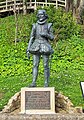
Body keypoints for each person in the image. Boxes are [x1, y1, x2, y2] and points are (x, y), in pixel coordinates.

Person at [27, 9, 54, 87]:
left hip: (45, 46)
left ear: (45, 15)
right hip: (36, 46)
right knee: (35, 64)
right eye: (39, 15)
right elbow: (31, 37)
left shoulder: (49, 25)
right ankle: (33, 82)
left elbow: (52, 37)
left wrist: (46, 34)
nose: (40, 16)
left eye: (42, 14)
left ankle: (46, 82)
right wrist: (28, 49)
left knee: (45, 65)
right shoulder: (35, 25)